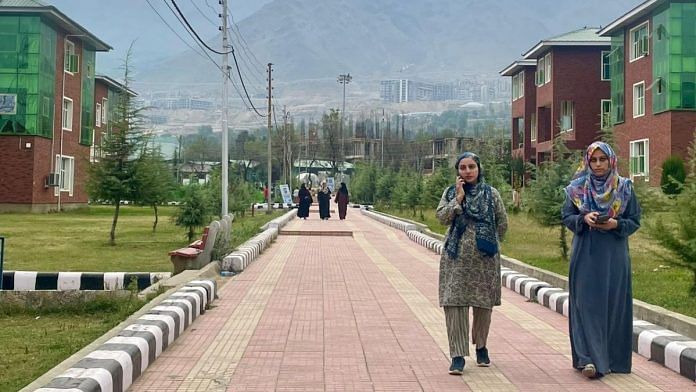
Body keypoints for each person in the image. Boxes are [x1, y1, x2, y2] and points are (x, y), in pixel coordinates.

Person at [562, 141, 641, 379]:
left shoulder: (624, 188)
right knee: (585, 304)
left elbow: (635, 220)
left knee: (613, 305)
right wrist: (583, 220)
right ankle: (588, 359)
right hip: (586, 251)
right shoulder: (576, 189)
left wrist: (616, 224)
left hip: (614, 255)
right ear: (587, 161)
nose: (597, 165)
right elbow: (567, 216)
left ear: (611, 161)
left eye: (602, 160)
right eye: (593, 160)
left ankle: (613, 359)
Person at [436, 152, 508, 375]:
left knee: (482, 305)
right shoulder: (450, 193)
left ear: (479, 169)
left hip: (484, 260)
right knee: (454, 304)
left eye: (471, 167)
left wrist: (491, 243)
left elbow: (502, 223)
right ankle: (457, 356)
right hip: (455, 259)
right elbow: (441, 218)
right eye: (463, 167)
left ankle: (481, 346)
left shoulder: (491, 194)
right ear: (458, 171)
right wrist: (457, 200)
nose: (467, 171)